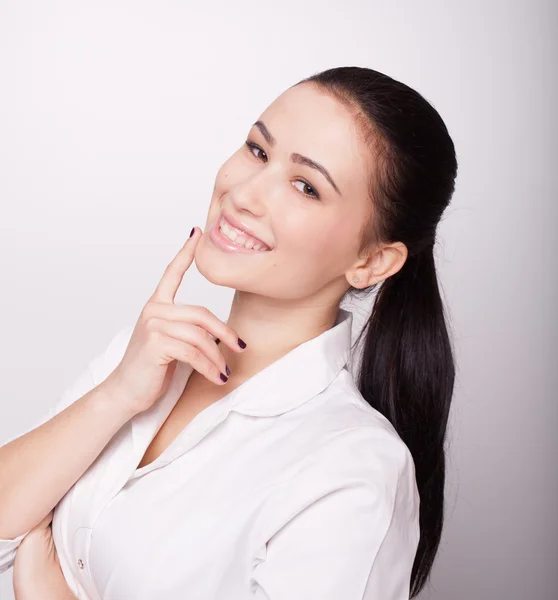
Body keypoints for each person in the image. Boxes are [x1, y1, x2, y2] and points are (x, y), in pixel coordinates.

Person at [0, 65, 458, 599]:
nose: (244, 194)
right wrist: (117, 395)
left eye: (306, 186)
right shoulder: (144, 356)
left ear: (373, 261)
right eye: (258, 151)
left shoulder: (352, 469)